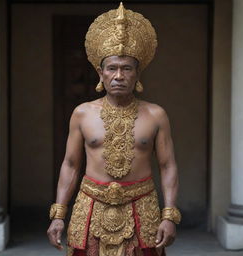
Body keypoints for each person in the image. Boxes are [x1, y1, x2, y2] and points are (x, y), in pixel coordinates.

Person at [47, 2, 181, 256]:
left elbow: (168, 165)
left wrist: (169, 215)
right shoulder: (82, 113)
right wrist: (58, 214)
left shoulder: (156, 114)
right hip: (90, 206)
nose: (119, 75)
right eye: (112, 68)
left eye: (126, 68)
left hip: (142, 206)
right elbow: (71, 164)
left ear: (137, 73)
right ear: (101, 73)